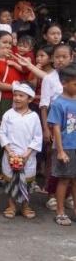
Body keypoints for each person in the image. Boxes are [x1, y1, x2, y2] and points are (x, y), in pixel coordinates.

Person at [0, 81, 42, 220]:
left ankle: (25, 206)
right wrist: (9, 151)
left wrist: (27, 154)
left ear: (29, 99)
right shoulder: (8, 114)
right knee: (10, 181)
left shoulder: (34, 117)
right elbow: (2, 134)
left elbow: (37, 137)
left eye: (21, 96)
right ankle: (11, 206)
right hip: (10, 153)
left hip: (27, 155)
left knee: (26, 181)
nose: (17, 98)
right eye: (15, 95)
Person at [0, 31, 23, 186]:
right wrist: (18, 87)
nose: (8, 45)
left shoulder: (14, 58)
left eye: (10, 42)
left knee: (16, 137)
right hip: (4, 102)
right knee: (0, 135)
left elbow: (27, 71)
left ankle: (13, 169)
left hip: (19, 101)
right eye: (4, 42)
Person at [40, 43, 74, 211]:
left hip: (72, 126)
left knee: (71, 163)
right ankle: (51, 194)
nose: (61, 60)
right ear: (52, 59)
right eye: (57, 57)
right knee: (53, 161)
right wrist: (46, 129)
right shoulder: (49, 78)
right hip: (55, 125)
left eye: (64, 57)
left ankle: (68, 196)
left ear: (71, 57)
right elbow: (44, 105)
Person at [46, 63, 76, 226]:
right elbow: (56, 128)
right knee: (64, 180)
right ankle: (60, 212)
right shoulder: (59, 103)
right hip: (66, 147)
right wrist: (60, 151)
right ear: (64, 83)